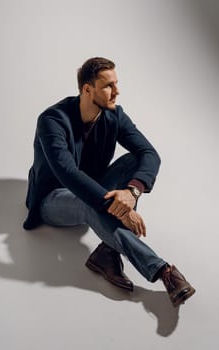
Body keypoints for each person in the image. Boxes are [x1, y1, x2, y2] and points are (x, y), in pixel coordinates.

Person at [23, 57, 195, 307]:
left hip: (96, 187)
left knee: (133, 160)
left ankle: (107, 252)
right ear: (87, 89)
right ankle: (163, 271)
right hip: (52, 199)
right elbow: (68, 173)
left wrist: (131, 193)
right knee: (87, 204)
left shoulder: (115, 115)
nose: (117, 91)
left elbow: (149, 154)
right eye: (108, 86)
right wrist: (120, 210)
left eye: (116, 83)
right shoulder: (52, 120)